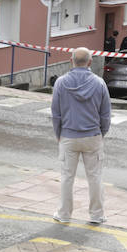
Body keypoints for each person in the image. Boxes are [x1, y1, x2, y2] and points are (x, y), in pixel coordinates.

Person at [50, 47, 112, 224]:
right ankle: (97, 215)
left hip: (68, 136)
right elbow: (105, 114)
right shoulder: (99, 83)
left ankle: (64, 214)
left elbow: (56, 113)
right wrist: (102, 133)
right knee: (95, 177)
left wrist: (58, 134)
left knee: (67, 177)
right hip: (92, 136)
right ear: (90, 62)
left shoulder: (61, 83)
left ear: (71, 61)